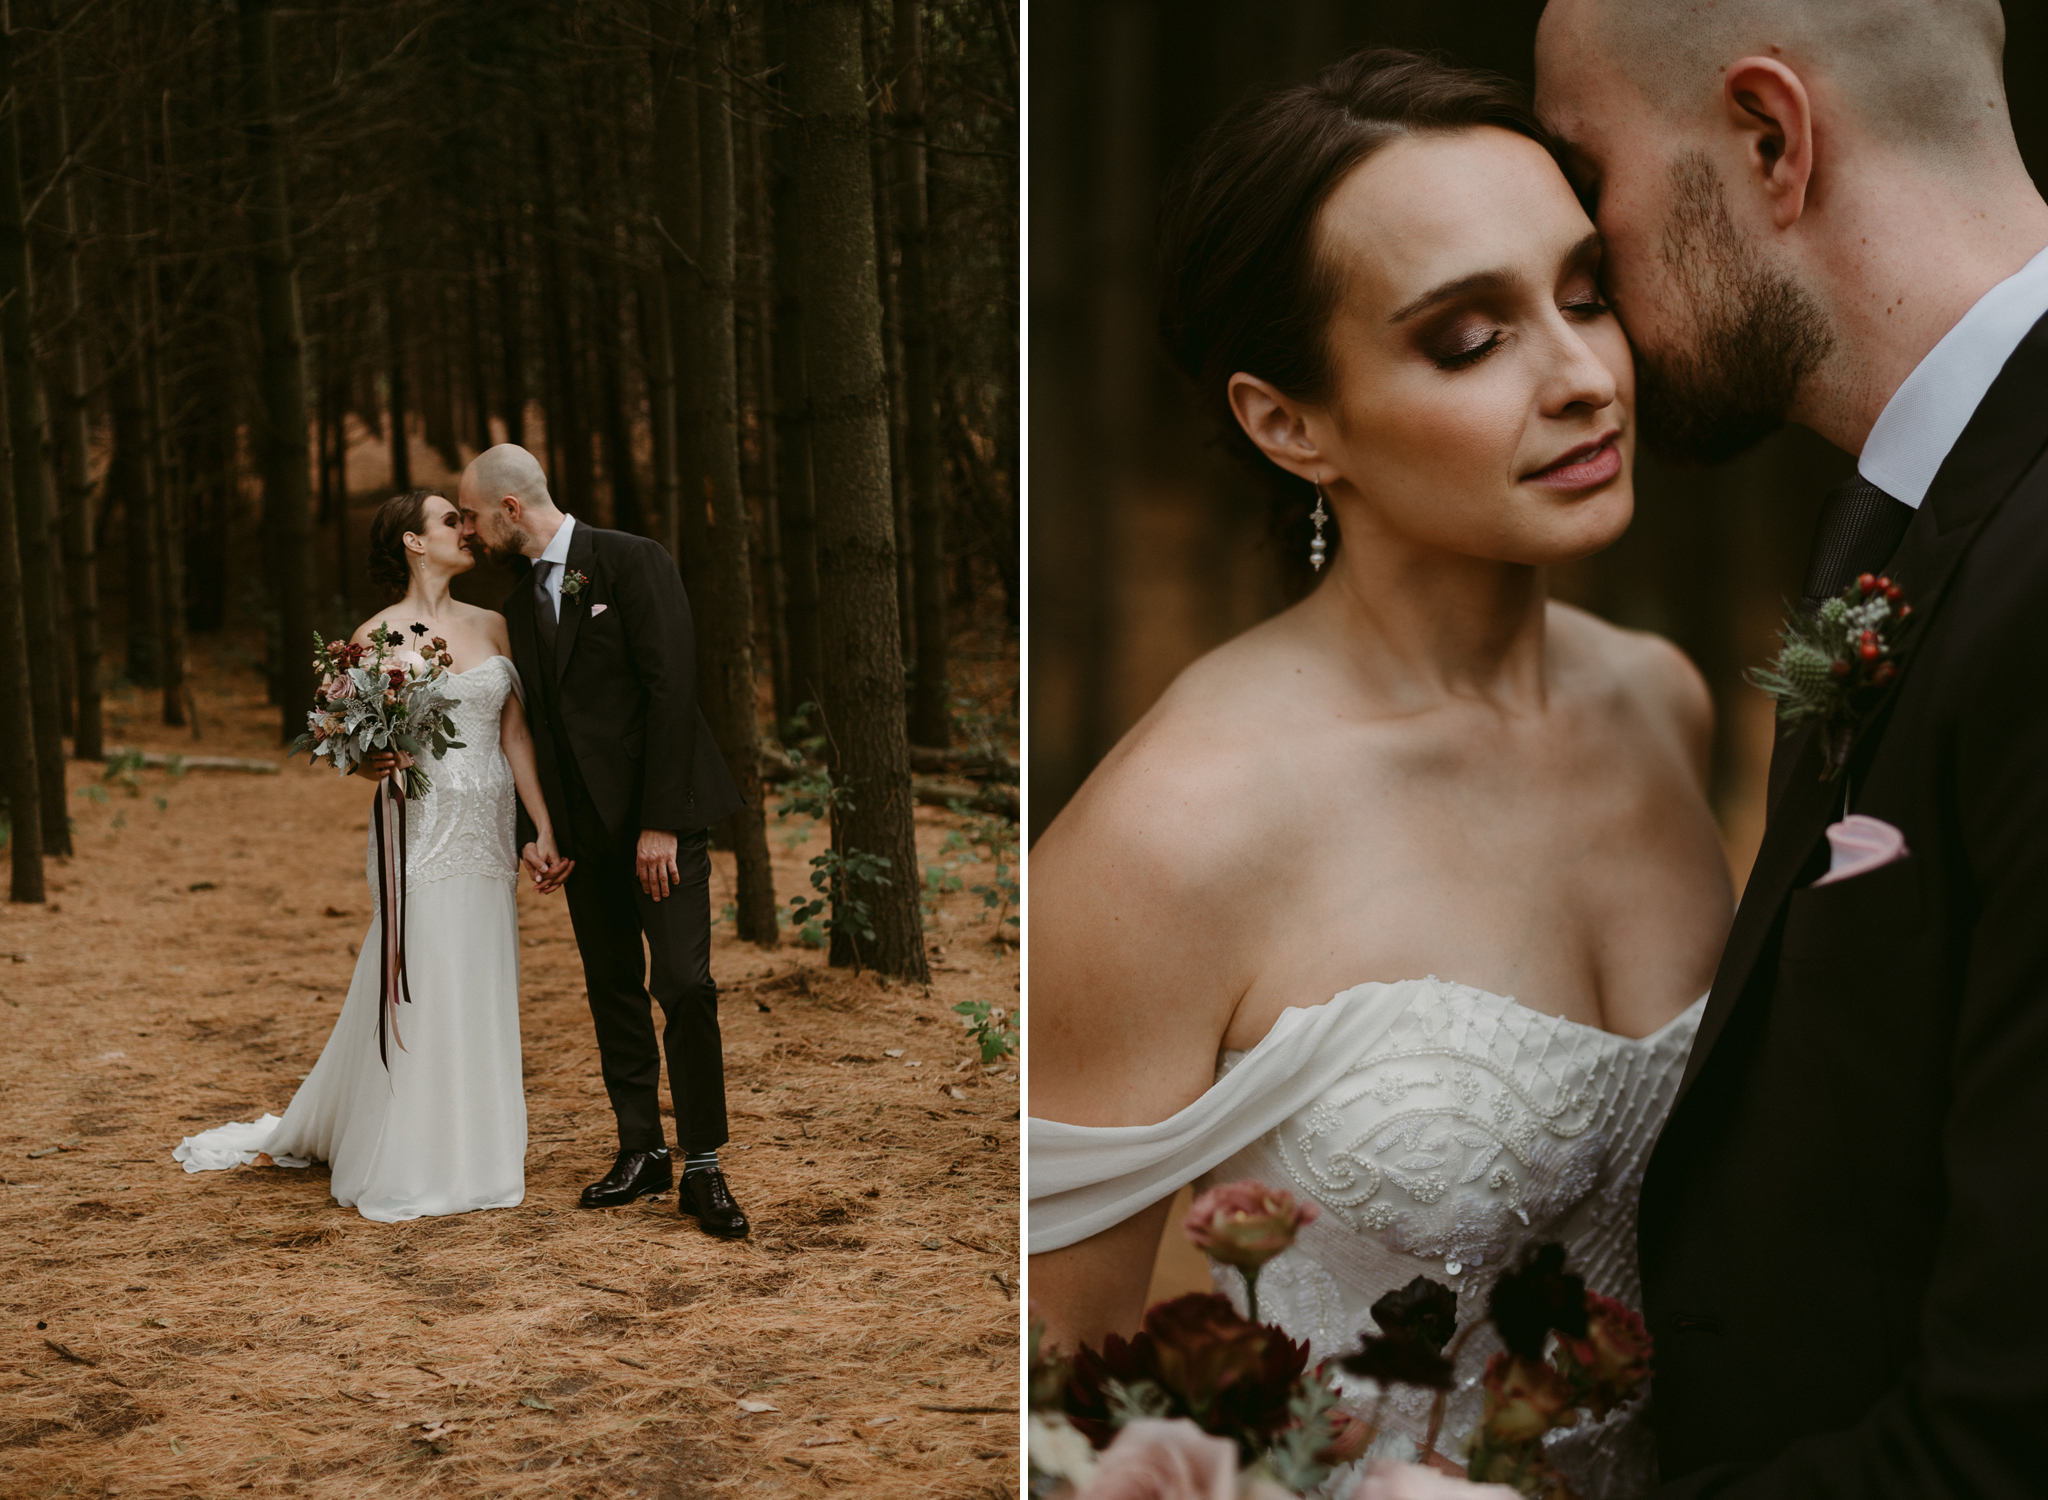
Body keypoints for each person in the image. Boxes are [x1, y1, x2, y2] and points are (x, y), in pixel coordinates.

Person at [1026, 50, 1732, 1493]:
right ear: (1290, 422)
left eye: (1586, 292)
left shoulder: (1665, 706)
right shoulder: (1173, 834)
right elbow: (1039, 1419)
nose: (1588, 377)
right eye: (1470, 340)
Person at [173, 490, 556, 1222]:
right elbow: (345, 740)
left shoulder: (495, 623)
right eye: (450, 520)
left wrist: (542, 827)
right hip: (417, 828)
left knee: (478, 977)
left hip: (488, 832)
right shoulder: (376, 637)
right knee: (422, 975)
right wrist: (366, 758)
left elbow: (516, 737)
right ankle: (410, 1157)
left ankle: (480, 1150)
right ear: (414, 542)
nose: (465, 529)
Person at [456, 444, 750, 1241]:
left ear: (511, 508)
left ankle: (703, 1166)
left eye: (476, 516)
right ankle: (640, 1148)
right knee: (612, 988)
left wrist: (659, 820)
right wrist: (538, 830)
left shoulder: (630, 561)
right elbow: (532, 731)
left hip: (663, 824)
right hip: (583, 837)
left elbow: (671, 687)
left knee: (685, 984)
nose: (472, 531)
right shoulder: (519, 606)